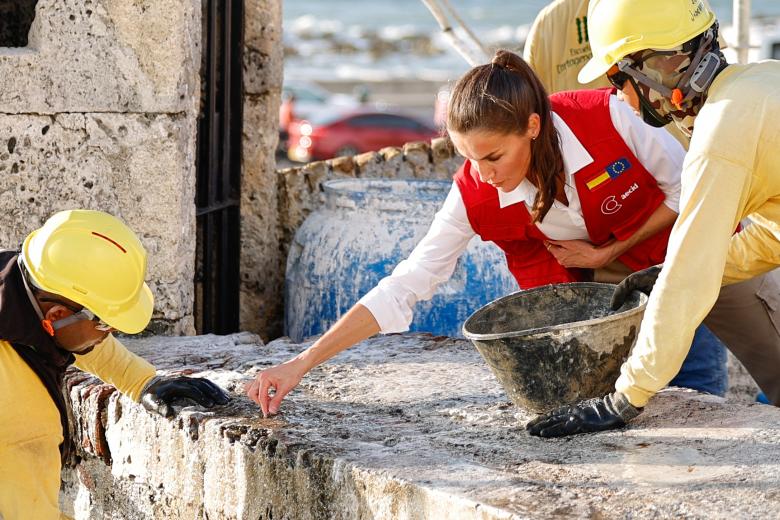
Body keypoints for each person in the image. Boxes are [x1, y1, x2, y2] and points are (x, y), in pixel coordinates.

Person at [246, 49, 774, 417]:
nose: (483, 174)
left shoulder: (613, 115)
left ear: (533, 127)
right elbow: (408, 283)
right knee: (652, 400)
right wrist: (300, 363)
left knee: (755, 364)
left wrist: (613, 246)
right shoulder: (473, 190)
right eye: (468, 159)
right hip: (600, 280)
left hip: (694, 246)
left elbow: (688, 192)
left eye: (494, 156)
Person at [527, 0, 780, 438]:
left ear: (655, 68)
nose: (617, 95)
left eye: (617, 79)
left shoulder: (722, 132)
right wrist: (667, 271)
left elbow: (690, 281)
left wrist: (627, 396)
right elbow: (774, 237)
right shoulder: (760, 81)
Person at [523, 0, 728, 387]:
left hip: (687, 220)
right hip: (607, 233)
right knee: (625, 373)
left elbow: (709, 85)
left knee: (697, 374)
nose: (621, 97)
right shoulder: (552, 24)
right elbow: (532, 126)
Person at [0, 210, 230, 520]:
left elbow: (75, 339)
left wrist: (141, 381)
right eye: (105, 323)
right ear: (54, 316)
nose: (111, 332)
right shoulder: (23, 421)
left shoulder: (14, 288)